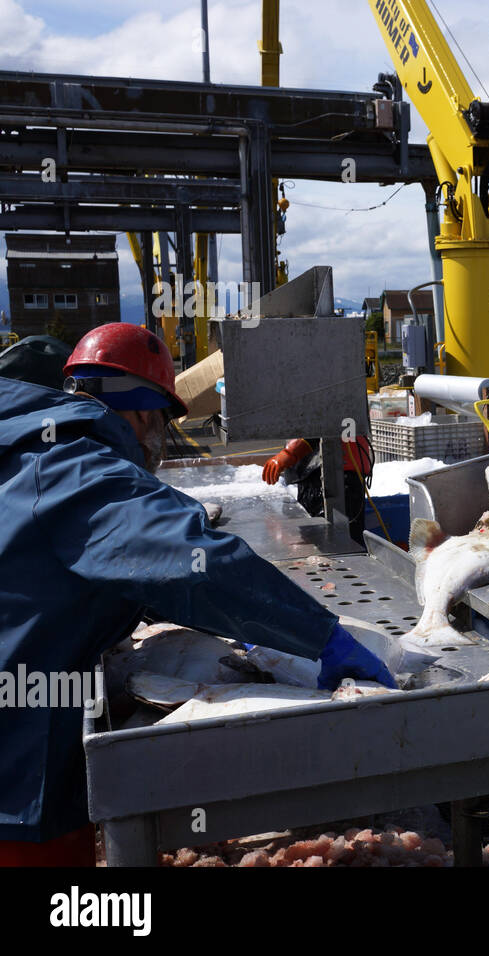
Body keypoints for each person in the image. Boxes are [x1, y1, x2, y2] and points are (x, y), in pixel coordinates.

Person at [0, 322, 394, 864]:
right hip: (16, 765)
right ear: (142, 413)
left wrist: (247, 631)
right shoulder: (80, 469)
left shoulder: (23, 453)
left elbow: (108, 570)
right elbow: (191, 562)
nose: (160, 440)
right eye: (163, 422)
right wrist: (320, 637)